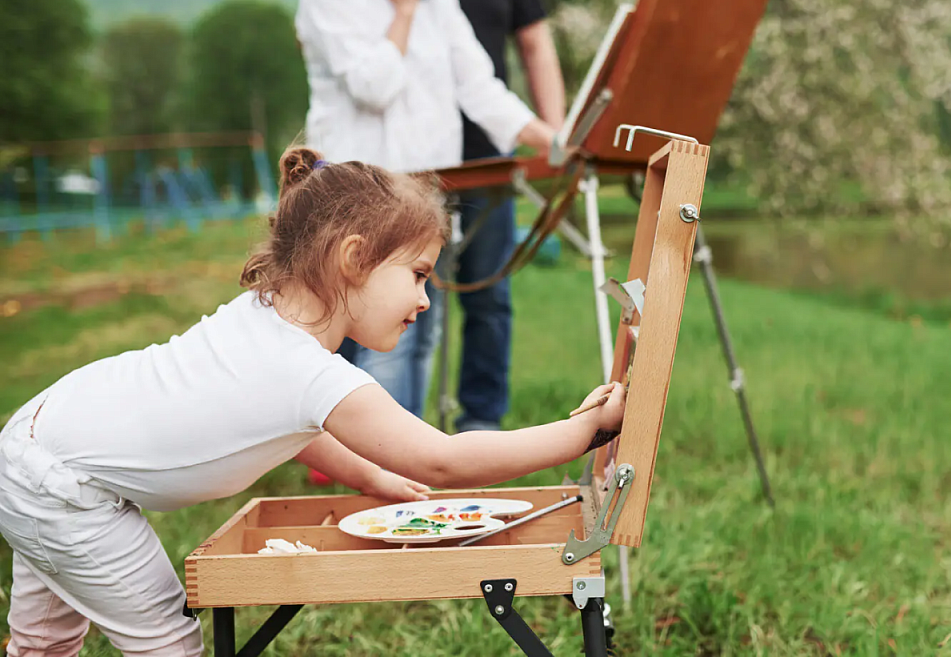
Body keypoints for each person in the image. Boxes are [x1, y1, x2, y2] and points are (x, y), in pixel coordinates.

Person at [0, 147, 626, 656]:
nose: (425, 301)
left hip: (44, 444)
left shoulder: (269, 323)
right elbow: (442, 458)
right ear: (355, 259)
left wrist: (374, 474)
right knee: (169, 642)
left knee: (44, 644)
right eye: (417, 275)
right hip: (64, 487)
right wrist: (583, 432)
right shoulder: (303, 369)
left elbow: (298, 427)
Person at [294, 0, 557, 425]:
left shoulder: (442, 1)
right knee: (375, 335)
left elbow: (480, 89)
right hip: (357, 195)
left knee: (418, 328)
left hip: (426, 194)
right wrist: (404, 8)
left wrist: (546, 138)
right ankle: (385, 469)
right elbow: (372, 86)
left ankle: (401, 466)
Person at [419, 0, 568, 433]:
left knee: (489, 299)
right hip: (410, 164)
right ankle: (363, 432)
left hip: (492, 159)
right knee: (388, 304)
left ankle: (480, 425)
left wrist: (552, 133)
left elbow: (535, 45)